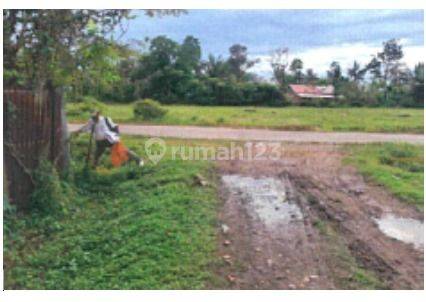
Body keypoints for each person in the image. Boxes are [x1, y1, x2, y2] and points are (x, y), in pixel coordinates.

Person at [74, 111, 144, 167]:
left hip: (109, 140)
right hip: (99, 142)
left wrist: (117, 136)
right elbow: (85, 128)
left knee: (123, 150)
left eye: (95, 117)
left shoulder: (105, 119)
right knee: (97, 155)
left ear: (98, 115)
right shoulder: (91, 121)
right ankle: (93, 169)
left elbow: (115, 126)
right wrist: (78, 132)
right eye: (93, 117)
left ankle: (139, 160)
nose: (94, 119)